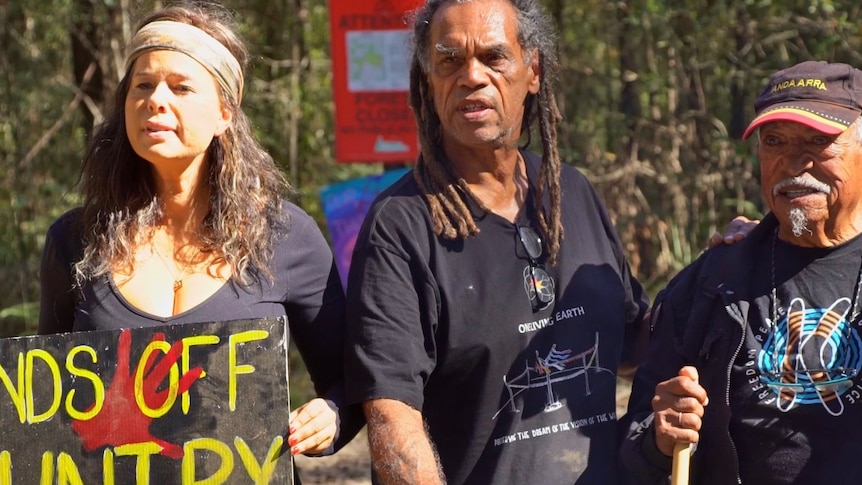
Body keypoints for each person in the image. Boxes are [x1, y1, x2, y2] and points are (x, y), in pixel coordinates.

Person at [343, 0, 752, 483]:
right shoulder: (401, 225)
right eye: (449, 61)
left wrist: (718, 268)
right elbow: (393, 416)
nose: (471, 76)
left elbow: (632, 344)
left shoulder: (570, 191)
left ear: (532, 70)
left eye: (494, 57)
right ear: (428, 81)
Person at [37, 1, 360, 465]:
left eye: (181, 87)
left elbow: (353, 379)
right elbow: (43, 404)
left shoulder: (287, 236)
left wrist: (330, 415)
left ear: (224, 113)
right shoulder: (74, 241)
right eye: (142, 85)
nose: (155, 100)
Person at [621, 60, 862, 484]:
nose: (792, 164)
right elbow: (633, 452)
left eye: (818, 141)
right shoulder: (710, 285)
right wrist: (660, 440)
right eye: (774, 142)